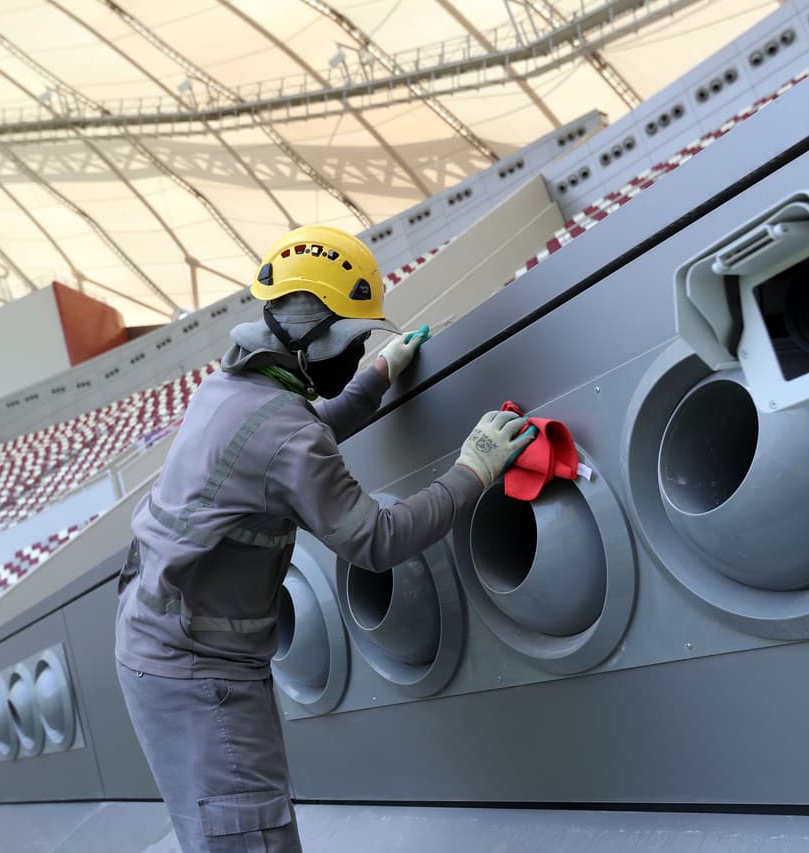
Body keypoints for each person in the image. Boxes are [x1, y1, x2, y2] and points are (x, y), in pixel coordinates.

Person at [115, 224, 536, 852]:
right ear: (311, 338)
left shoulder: (234, 388)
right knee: (249, 834)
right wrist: (472, 470)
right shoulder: (284, 430)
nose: (356, 349)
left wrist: (376, 376)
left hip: (161, 642)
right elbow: (377, 540)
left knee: (224, 825)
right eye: (352, 338)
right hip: (198, 669)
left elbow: (303, 433)